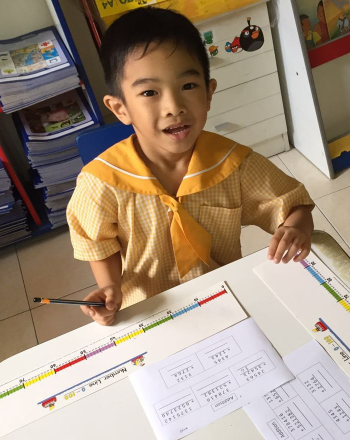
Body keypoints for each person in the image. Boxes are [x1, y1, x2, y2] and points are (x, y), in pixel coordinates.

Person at [67, 8, 314, 326]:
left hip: (226, 300)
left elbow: (294, 204)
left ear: (209, 93)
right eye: (149, 92)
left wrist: (296, 229)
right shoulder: (101, 182)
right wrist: (109, 287)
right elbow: (97, 242)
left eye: (188, 86)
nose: (174, 107)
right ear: (120, 108)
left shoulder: (232, 164)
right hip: (148, 312)